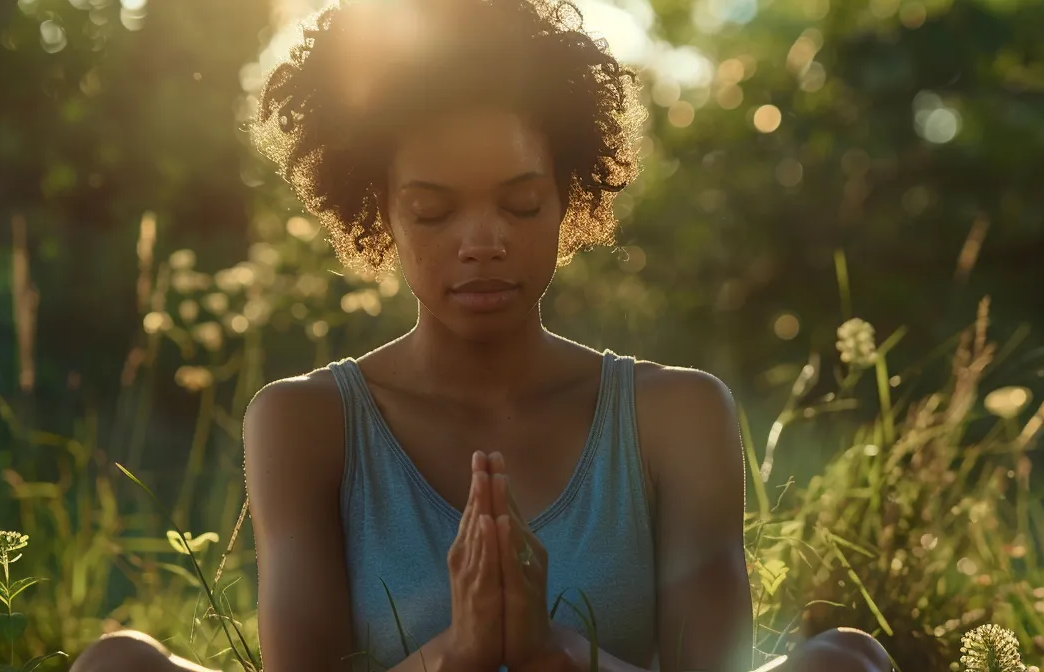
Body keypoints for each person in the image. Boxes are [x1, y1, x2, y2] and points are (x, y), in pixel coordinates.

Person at [72, 0, 894, 670]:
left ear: (569, 199)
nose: (482, 240)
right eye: (433, 210)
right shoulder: (304, 420)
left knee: (847, 660)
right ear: (378, 212)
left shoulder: (675, 412)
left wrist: (555, 656)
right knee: (118, 666)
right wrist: (458, 655)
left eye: (521, 203)